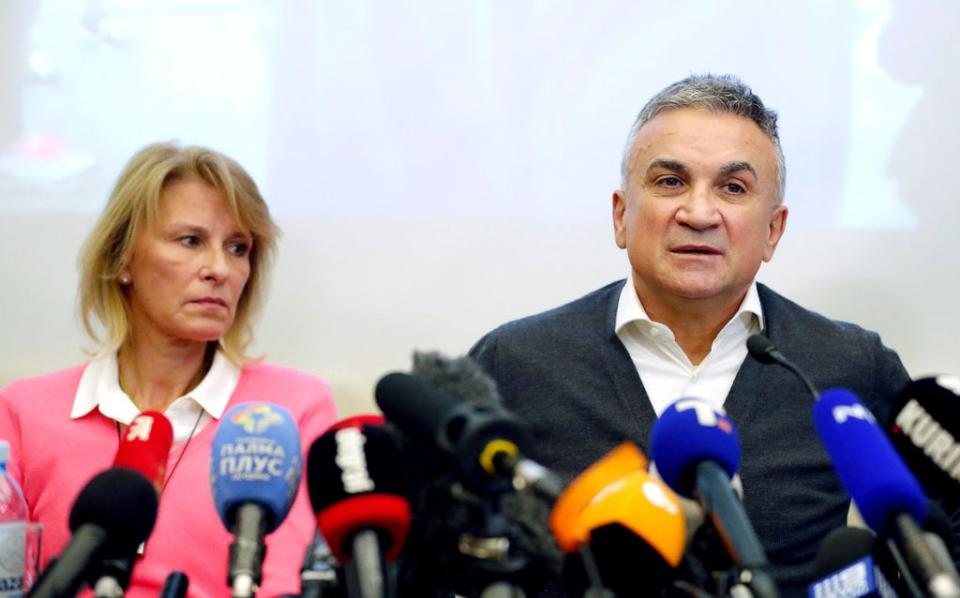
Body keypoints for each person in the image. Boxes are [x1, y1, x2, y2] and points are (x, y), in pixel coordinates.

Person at [469, 74, 912, 596]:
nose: (699, 214)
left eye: (733, 188)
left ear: (773, 230)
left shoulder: (850, 366)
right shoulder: (515, 363)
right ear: (620, 216)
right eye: (670, 182)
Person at [0, 142, 336, 596]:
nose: (220, 269)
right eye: (191, 241)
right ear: (121, 258)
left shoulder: (291, 409)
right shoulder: (24, 409)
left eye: (238, 248)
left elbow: (283, 584)